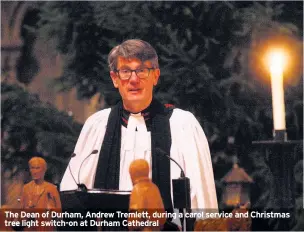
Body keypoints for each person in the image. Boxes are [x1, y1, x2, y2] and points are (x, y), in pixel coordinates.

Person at [60, 39, 218, 224]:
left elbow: (202, 202)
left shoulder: (183, 125)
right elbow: (72, 197)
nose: (134, 79)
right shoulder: (96, 126)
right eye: (126, 71)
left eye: (142, 70)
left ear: (156, 76)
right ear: (115, 79)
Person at [20, 157, 61, 231]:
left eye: (37, 168)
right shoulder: (26, 188)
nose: (34, 171)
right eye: (32, 168)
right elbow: (22, 212)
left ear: (44, 170)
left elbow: (59, 216)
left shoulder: (52, 188)